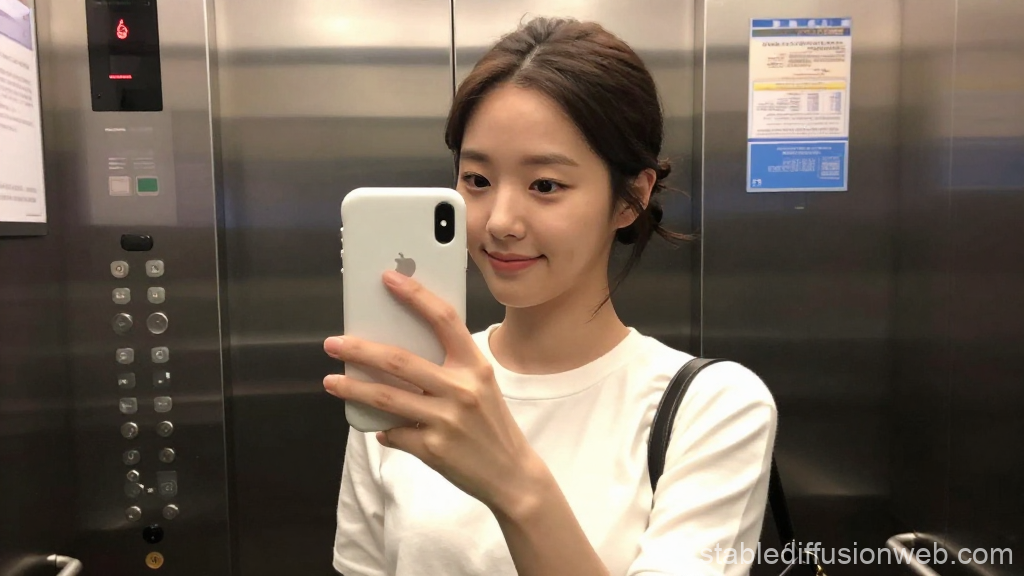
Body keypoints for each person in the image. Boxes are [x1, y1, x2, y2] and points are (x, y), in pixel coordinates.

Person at [322, 16, 777, 576]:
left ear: (630, 198)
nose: (501, 222)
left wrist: (515, 486)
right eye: (477, 180)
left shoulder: (714, 409)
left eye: (545, 186)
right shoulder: (410, 385)